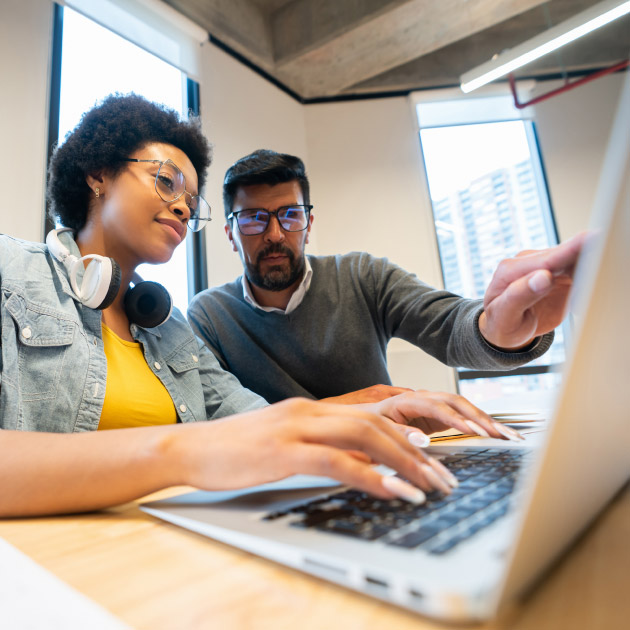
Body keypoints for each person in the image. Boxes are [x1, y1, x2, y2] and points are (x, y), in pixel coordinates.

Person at [0, 94, 518, 518]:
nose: (182, 205)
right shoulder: (9, 271)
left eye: (190, 199)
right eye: (166, 181)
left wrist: (379, 413)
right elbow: (209, 446)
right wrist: (180, 452)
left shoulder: (172, 332)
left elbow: (262, 424)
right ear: (98, 174)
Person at [188, 149, 583, 405]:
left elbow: (448, 325)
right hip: (275, 484)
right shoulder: (210, 316)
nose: (275, 234)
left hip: (387, 465)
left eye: (290, 215)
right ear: (230, 234)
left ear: (308, 224)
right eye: (254, 219)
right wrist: (365, 403)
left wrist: (496, 331)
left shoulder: (362, 276)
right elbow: (225, 417)